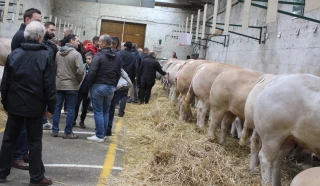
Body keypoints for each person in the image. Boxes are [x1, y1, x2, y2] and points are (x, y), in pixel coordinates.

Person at [0, 21, 56, 185]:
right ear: (40, 37)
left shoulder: (14, 54)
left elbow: (5, 83)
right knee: (35, 141)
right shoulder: (46, 56)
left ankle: (2, 172)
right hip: (35, 107)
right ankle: (37, 177)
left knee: (9, 139)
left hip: (15, 106)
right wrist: (51, 107)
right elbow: (49, 85)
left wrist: (5, 104)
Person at [9, 7, 42, 171]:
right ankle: (16, 156)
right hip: (22, 89)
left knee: (23, 127)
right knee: (20, 127)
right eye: (37, 20)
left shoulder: (25, 35)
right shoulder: (22, 36)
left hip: (24, 89)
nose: (39, 24)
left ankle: (22, 152)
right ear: (27, 20)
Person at [87, 34, 121, 142]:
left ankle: (99, 135)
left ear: (104, 43)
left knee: (98, 111)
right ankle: (104, 133)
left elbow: (92, 72)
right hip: (111, 87)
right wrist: (114, 84)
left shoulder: (99, 56)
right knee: (106, 111)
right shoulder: (117, 56)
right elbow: (118, 72)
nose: (98, 43)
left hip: (99, 86)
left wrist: (89, 85)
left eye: (100, 42)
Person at [51, 34, 85, 139]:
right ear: (71, 41)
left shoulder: (58, 53)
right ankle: (68, 132)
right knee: (71, 109)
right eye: (77, 40)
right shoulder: (76, 54)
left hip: (59, 84)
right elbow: (80, 71)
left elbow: (55, 68)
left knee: (57, 108)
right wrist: (78, 81)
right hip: (71, 85)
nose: (78, 43)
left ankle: (55, 130)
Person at [42, 21, 58, 130]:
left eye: (54, 30)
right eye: (51, 30)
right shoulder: (44, 46)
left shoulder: (50, 45)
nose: (53, 32)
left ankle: (43, 119)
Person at [74, 51, 93, 128]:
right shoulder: (83, 66)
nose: (88, 60)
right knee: (76, 105)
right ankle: (74, 120)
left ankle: (82, 120)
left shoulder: (94, 68)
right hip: (80, 89)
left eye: (89, 59)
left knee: (85, 107)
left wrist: (90, 91)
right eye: (86, 59)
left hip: (88, 90)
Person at [118, 41, 136, 117]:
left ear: (124, 46)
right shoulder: (133, 56)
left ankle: (111, 109)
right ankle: (121, 112)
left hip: (117, 76)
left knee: (115, 93)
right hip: (127, 78)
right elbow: (135, 68)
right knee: (124, 95)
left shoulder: (120, 53)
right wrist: (131, 79)